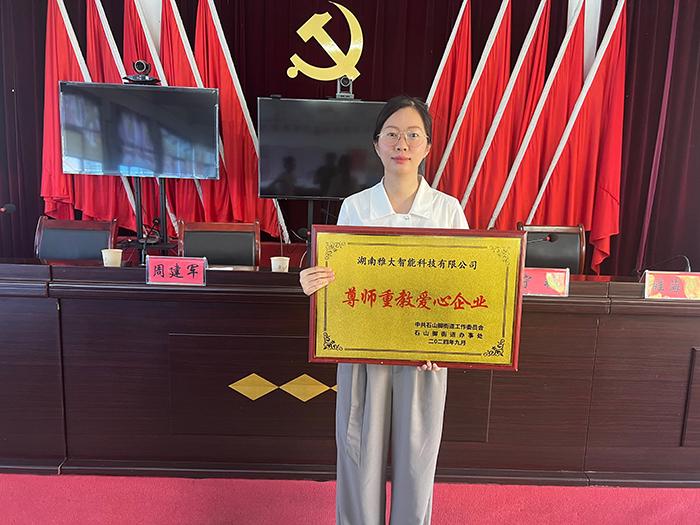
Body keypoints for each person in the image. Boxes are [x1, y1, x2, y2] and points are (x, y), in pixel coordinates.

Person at [299, 96, 468, 525]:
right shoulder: (355, 207)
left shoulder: (447, 210)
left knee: (417, 462)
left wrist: (447, 347)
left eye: (413, 135)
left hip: (426, 355)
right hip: (362, 351)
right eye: (391, 134)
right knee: (358, 456)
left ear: (428, 146)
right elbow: (338, 279)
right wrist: (314, 282)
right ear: (376, 144)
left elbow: (466, 286)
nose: (402, 144)